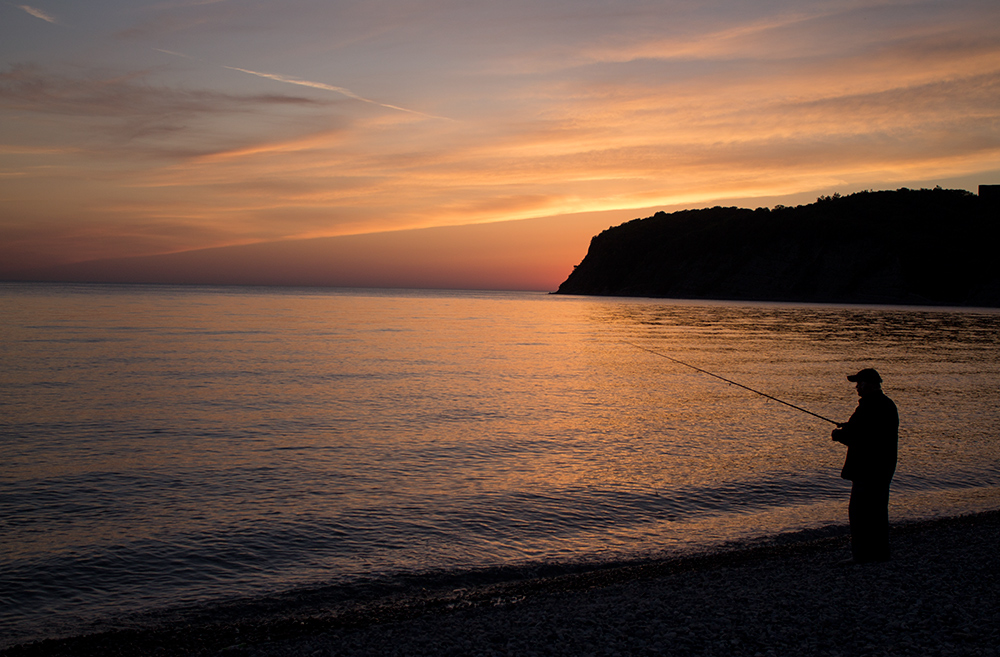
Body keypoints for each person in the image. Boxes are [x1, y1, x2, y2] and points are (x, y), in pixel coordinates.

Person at [831, 368, 898, 564]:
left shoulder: (869, 407)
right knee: (877, 513)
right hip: (882, 468)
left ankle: (861, 556)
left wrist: (838, 435)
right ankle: (880, 554)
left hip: (868, 469)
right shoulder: (886, 405)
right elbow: (868, 431)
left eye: (859, 383)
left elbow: (861, 438)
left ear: (870, 384)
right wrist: (849, 427)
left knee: (859, 514)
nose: (856, 387)